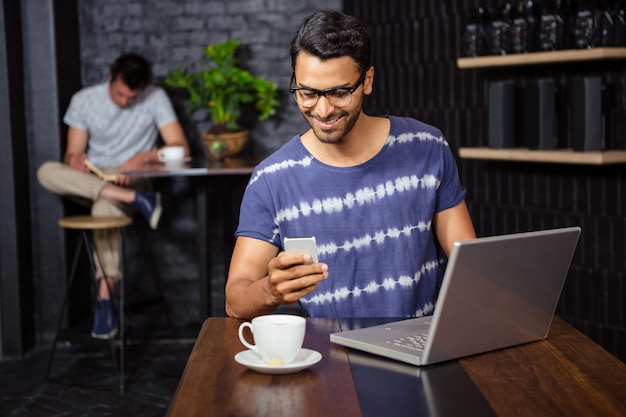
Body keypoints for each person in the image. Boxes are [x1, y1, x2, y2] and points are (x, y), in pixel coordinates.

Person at [225, 11, 476, 320]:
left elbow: (470, 267)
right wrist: (270, 290)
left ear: (367, 81)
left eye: (340, 92)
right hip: (329, 360)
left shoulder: (428, 148)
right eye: (307, 93)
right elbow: (235, 300)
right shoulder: (270, 180)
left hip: (420, 350)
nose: (323, 109)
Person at [37, 52, 189, 338]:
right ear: (110, 77)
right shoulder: (84, 100)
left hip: (134, 179)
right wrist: (75, 162)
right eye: (120, 94)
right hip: (92, 179)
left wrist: (143, 158)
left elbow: (180, 147)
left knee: (104, 208)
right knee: (46, 170)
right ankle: (135, 202)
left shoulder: (155, 98)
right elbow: (71, 156)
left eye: (132, 97)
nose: (124, 102)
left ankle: (104, 301)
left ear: (143, 88)